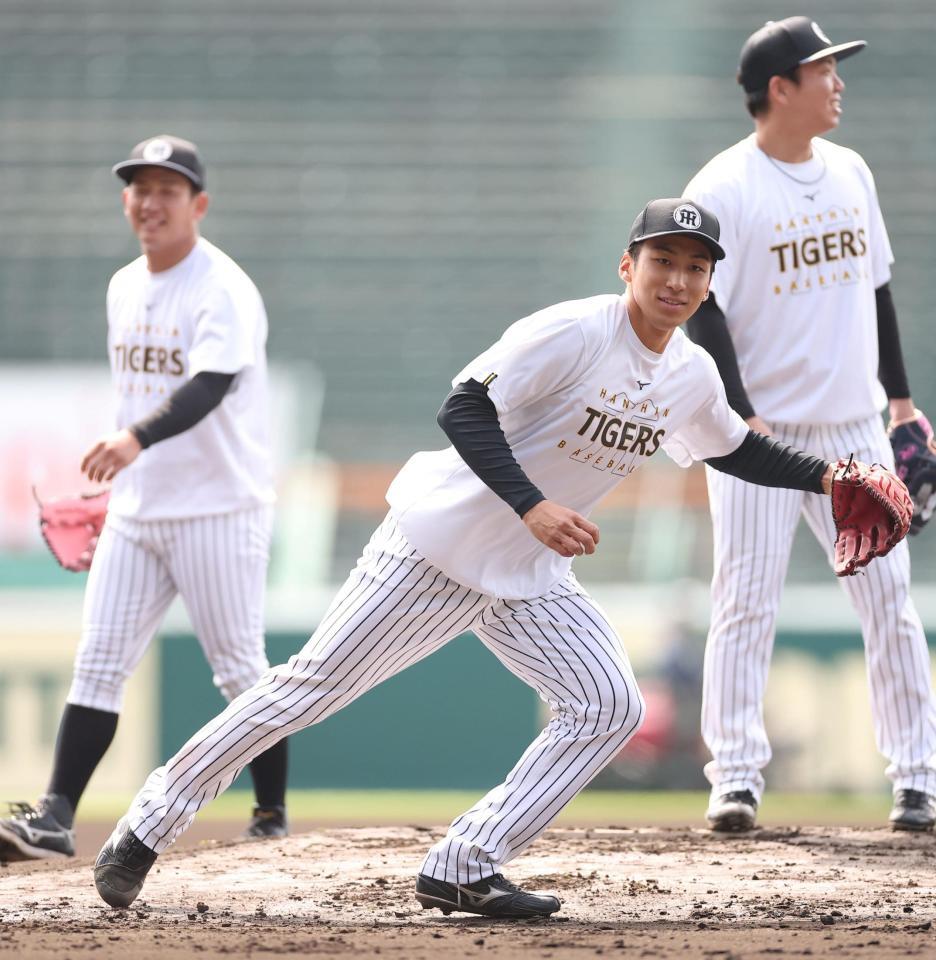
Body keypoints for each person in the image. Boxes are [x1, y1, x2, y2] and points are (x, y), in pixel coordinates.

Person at [93, 198, 876, 918]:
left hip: (528, 575)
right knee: (308, 690)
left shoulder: (690, 374)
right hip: (436, 547)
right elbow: (463, 405)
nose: (677, 279)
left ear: (708, 284)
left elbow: (735, 449)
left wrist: (832, 477)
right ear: (627, 264)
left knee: (609, 705)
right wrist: (531, 504)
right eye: (662, 260)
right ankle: (149, 823)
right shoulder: (575, 331)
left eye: (695, 267)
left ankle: (464, 863)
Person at [0, 135, 289, 861]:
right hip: (138, 511)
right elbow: (142, 389)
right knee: (98, 662)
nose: (150, 202)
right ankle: (55, 817)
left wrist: (134, 440)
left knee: (240, 669)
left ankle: (271, 814)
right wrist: (130, 473)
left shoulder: (221, 286)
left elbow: (209, 385)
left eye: (167, 189)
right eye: (140, 188)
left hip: (219, 508)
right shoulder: (124, 284)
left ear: (199, 204)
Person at [682, 17, 936, 834]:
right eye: (824, 70)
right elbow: (702, 308)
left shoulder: (851, 171)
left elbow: (878, 288)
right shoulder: (724, 186)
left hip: (854, 427)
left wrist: (902, 404)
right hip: (760, 435)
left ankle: (919, 779)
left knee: (888, 601)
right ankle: (735, 779)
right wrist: (740, 415)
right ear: (779, 88)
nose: (838, 83)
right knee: (745, 601)